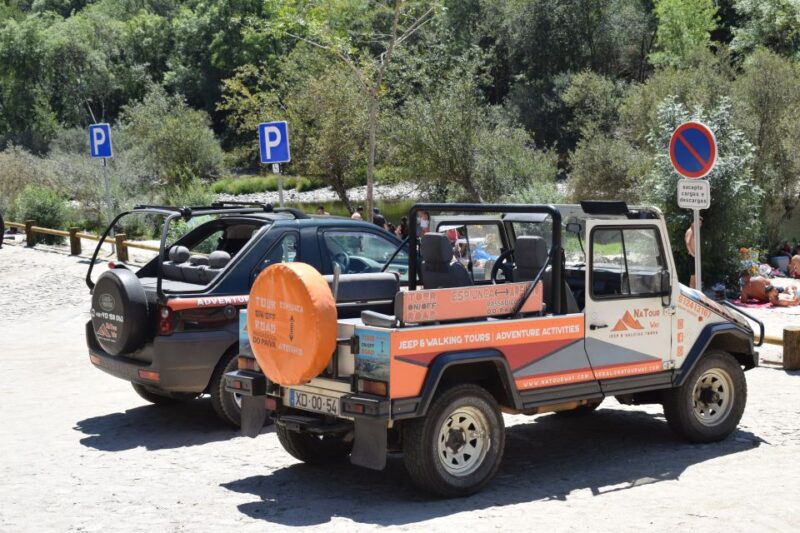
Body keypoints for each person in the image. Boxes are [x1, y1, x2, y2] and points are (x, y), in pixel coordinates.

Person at [685, 217, 702, 289]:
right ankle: (692, 296)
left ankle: (695, 294)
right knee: (693, 278)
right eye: (699, 223)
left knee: (695, 278)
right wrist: (693, 254)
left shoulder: (694, 231)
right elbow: (688, 243)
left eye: (701, 223)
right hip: (692, 257)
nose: (701, 225)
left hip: (694, 257)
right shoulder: (691, 230)